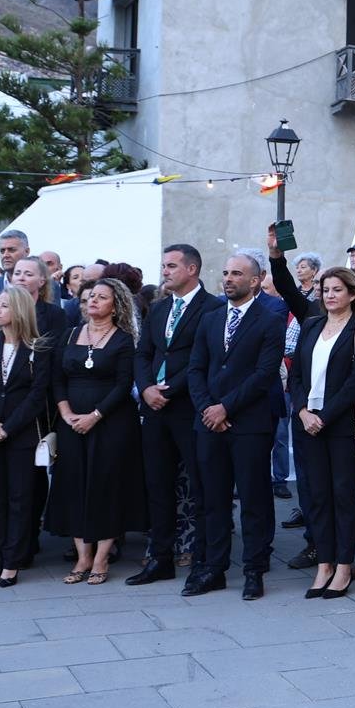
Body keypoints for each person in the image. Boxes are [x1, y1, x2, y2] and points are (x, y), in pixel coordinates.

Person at [186, 250, 288, 600]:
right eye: (226, 272)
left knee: (254, 498)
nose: (228, 278)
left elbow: (263, 375)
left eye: (237, 274)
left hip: (249, 424)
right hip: (209, 424)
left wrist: (225, 408)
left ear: (255, 280)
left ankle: (254, 569)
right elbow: (196, 368)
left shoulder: (270, 320)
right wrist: (206, 409)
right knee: (212, 499)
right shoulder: (211, 318)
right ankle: (214, 568)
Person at [287, 266, 355, 599]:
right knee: (316, 497)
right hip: (306, 423)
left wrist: (323, 416)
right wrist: (302, 412)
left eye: (337, 290)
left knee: (342, 496)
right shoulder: (311, 325)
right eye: (325, 290)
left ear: (352, 294)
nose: (330, 295)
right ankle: (323, 563)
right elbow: (295, 375)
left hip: (339, 425)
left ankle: (343, 566)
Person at [129, 244, 218, 585]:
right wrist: (147, 387)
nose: (164, 271)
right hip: (154, 409)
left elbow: (204, 359)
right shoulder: (160, 307)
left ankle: (201, 557)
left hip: (188, 408)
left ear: (192, 269)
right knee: (158, 484)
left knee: (200, 486)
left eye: (171, 266)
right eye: (163, 265)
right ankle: (160, 557)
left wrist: (170, 389)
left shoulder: (212, 308)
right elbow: (143, 353)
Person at [46, 278, 142, 586]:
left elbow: (123, 385)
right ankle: (82, 556)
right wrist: (66, 413)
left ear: (115, 305)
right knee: (74, 484)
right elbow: (57, 378)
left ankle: (101, 557)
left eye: (101, 298)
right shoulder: (70, 334)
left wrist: (95, 415)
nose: (93, 302)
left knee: (105, 486)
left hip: (111, 423)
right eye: (90, 298)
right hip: (71, 421)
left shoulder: (124, 339)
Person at [0, 285, 52, 589]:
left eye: (4, 305)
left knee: (19, 499)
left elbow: (36, 395)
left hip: (21, 435)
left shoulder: (38, 348)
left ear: (19, 311)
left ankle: (12, 561)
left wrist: (9, 427)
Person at [8, 256, 68, 336]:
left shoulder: (55, 314)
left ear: (42, 281)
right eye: (17, 273)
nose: (21, 278)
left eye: (28, 274)